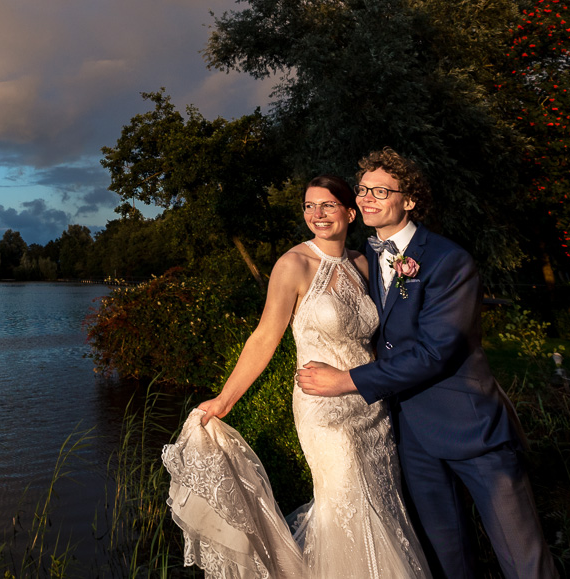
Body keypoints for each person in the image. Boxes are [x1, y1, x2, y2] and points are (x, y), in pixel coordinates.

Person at [296, 148, 556, 579]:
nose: (366, 198)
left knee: (525, 563)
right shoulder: (361, 259)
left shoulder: (449, 260)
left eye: (381, 190)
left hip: (473, 432)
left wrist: (347, 380)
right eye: (362, 190)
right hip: (408, 438)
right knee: (446, 563)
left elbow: (436, 351)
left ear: (409, 200)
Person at [162, 174, 430, 579]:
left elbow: (379, 337)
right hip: (322, 410)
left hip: (371, 406)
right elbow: (264, 337)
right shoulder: (293, 264)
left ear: (350, 212)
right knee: (348, 498)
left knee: (381, 500)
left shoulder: (364, 263)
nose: (317, 214)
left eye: (327, 205)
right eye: (308, 206)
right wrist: (224, 400)